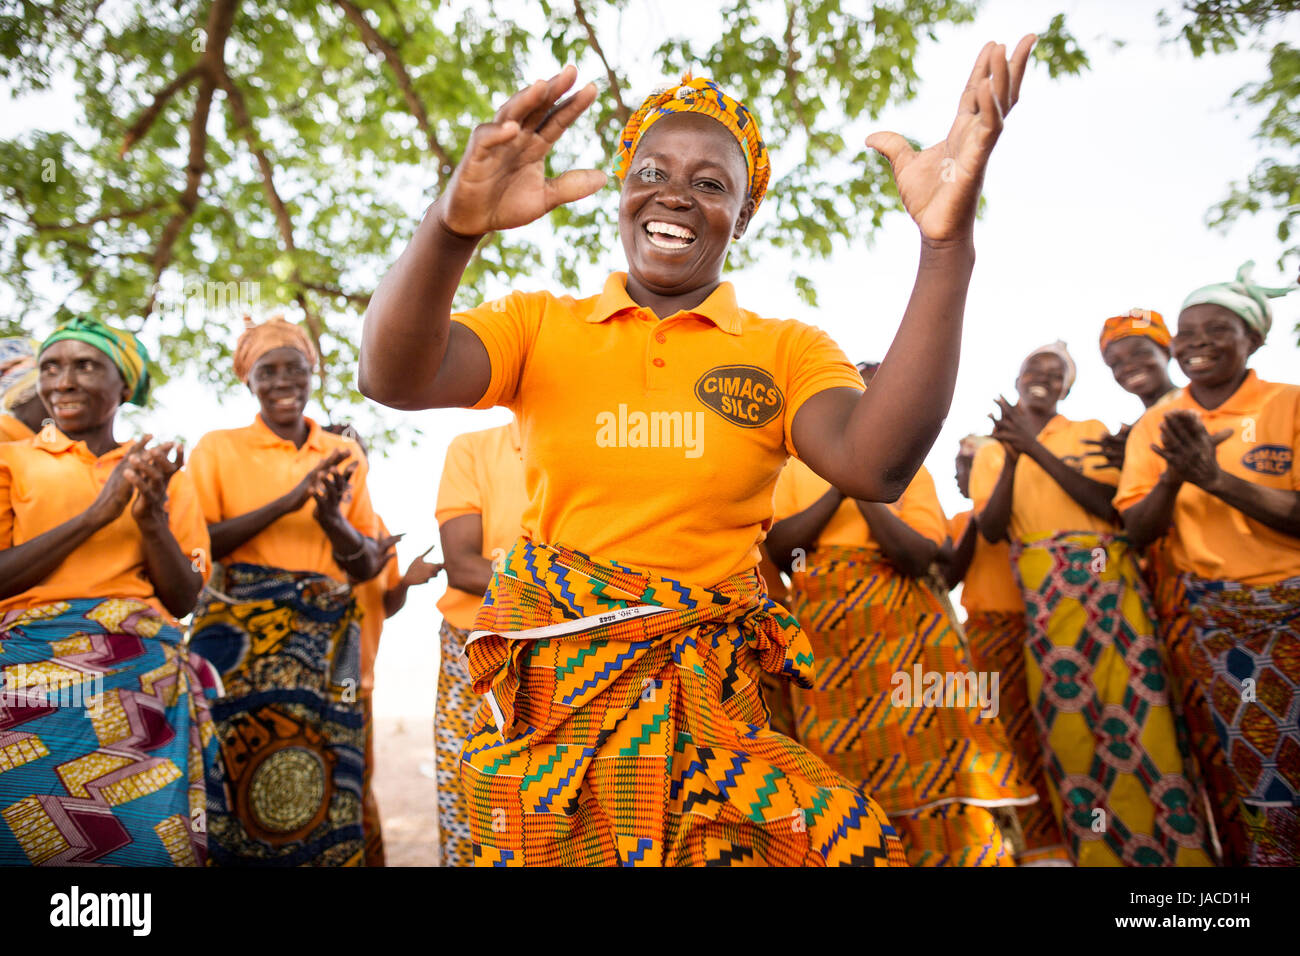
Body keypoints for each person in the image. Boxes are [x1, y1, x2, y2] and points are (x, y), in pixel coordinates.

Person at [359, 39, 1036, 866]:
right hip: (560, 716)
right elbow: (393, 373)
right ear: (622, 191)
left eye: (711, 183)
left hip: (714, 711)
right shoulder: (540, 325)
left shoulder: (785, 349)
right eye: (651, 171)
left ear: (742, 216)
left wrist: (945, 245)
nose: (673, 193)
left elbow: (876, 464)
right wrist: (452, 226)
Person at [768, 369, 1035, 866]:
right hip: (826, 637)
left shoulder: (910, 471)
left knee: (944, 750)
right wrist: (841, 481)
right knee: (838, 757)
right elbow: (783, 550)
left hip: (909, 631)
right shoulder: (793, 468)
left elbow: (916, 556)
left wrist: (866, 481)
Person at [973, 341, 1213, 866]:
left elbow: (1109, 506)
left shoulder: (1091, 432)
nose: (1043, 376)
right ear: (1016, 377)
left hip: (1113, 591)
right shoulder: (991, 452)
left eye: (1056, 372)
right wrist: (1013, 452)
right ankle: (1101, 856)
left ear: (1068, 387)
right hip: (1046, 603)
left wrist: (1033, 448)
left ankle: (1183, 859)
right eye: (1033, 367)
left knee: (1142, 715)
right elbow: (991, 528)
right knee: (1070, 729)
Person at [0, 317, 219, 866]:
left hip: (138, 685)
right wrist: (100, 513)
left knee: (143, 845)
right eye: (51, 368)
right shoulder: (13, 460)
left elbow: (183, 599)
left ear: (124, 385)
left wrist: (150, 520)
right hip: (30, 684)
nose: (63, 381)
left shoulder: (165, 475)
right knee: (24, 838)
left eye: (85, 366)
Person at [1116, 262, 1300, 866]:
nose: (1196, 342)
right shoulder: (1154, 427)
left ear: (1255, 338)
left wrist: (1216, 480)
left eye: (1216, 328)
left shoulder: (1288, 405)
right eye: (1187, 331)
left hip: (1293, 609)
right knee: (1267, 780)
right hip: (1226, 634)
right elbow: (1138, 530)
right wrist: (1176, 474)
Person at [186, 315, 387, 866]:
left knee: (331, 774)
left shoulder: (343, 455)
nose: (282, 382)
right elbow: (199, 544)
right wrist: (289, 500)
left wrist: (331, 522)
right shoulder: (216, 449)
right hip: (238, 643)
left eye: (295, 370)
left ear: (312, 374)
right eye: (266, 372)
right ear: (247, 381)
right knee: (232, 772)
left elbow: (367, 563)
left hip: (328, 645)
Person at [1095, 309, 1248, 864]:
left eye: (1139, 351)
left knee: (1236, 744)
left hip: (1221, 594)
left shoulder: (1202, 409)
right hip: (1165, 600)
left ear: (1168, 352)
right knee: (1203, 743)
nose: (1127, 366)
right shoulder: (1137, 433)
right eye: (1113, 359)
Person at [944, 434, 1069, 865]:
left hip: (1046, 629)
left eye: (978, 464)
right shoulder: (960, 521)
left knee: (1054, 732)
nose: (969, 473)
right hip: (988, 638)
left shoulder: (1029, 515)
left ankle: (1069, 837)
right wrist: (980, 513)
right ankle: (1028, 846)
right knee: (1006, 738)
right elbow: (946, 576)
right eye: (963, 466)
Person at [324, 422, 443, 867]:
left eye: (356, 457)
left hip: (354, 670)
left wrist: (407, 582)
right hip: (295, 663)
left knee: (353, 781)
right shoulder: (302, 515)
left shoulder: (375, 525)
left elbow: (383, 604)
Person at [432, 420, 527, 867]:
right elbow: (462, 568)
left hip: (578, 650)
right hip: (475, 652)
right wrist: (567, 588)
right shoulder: (473, 448)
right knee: (469, 788)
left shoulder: (602, 446)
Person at [0, 338, 44, 441]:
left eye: (15, 364)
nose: (6, 374)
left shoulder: (50, 391)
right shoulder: (6, 405)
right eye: (1, 371)